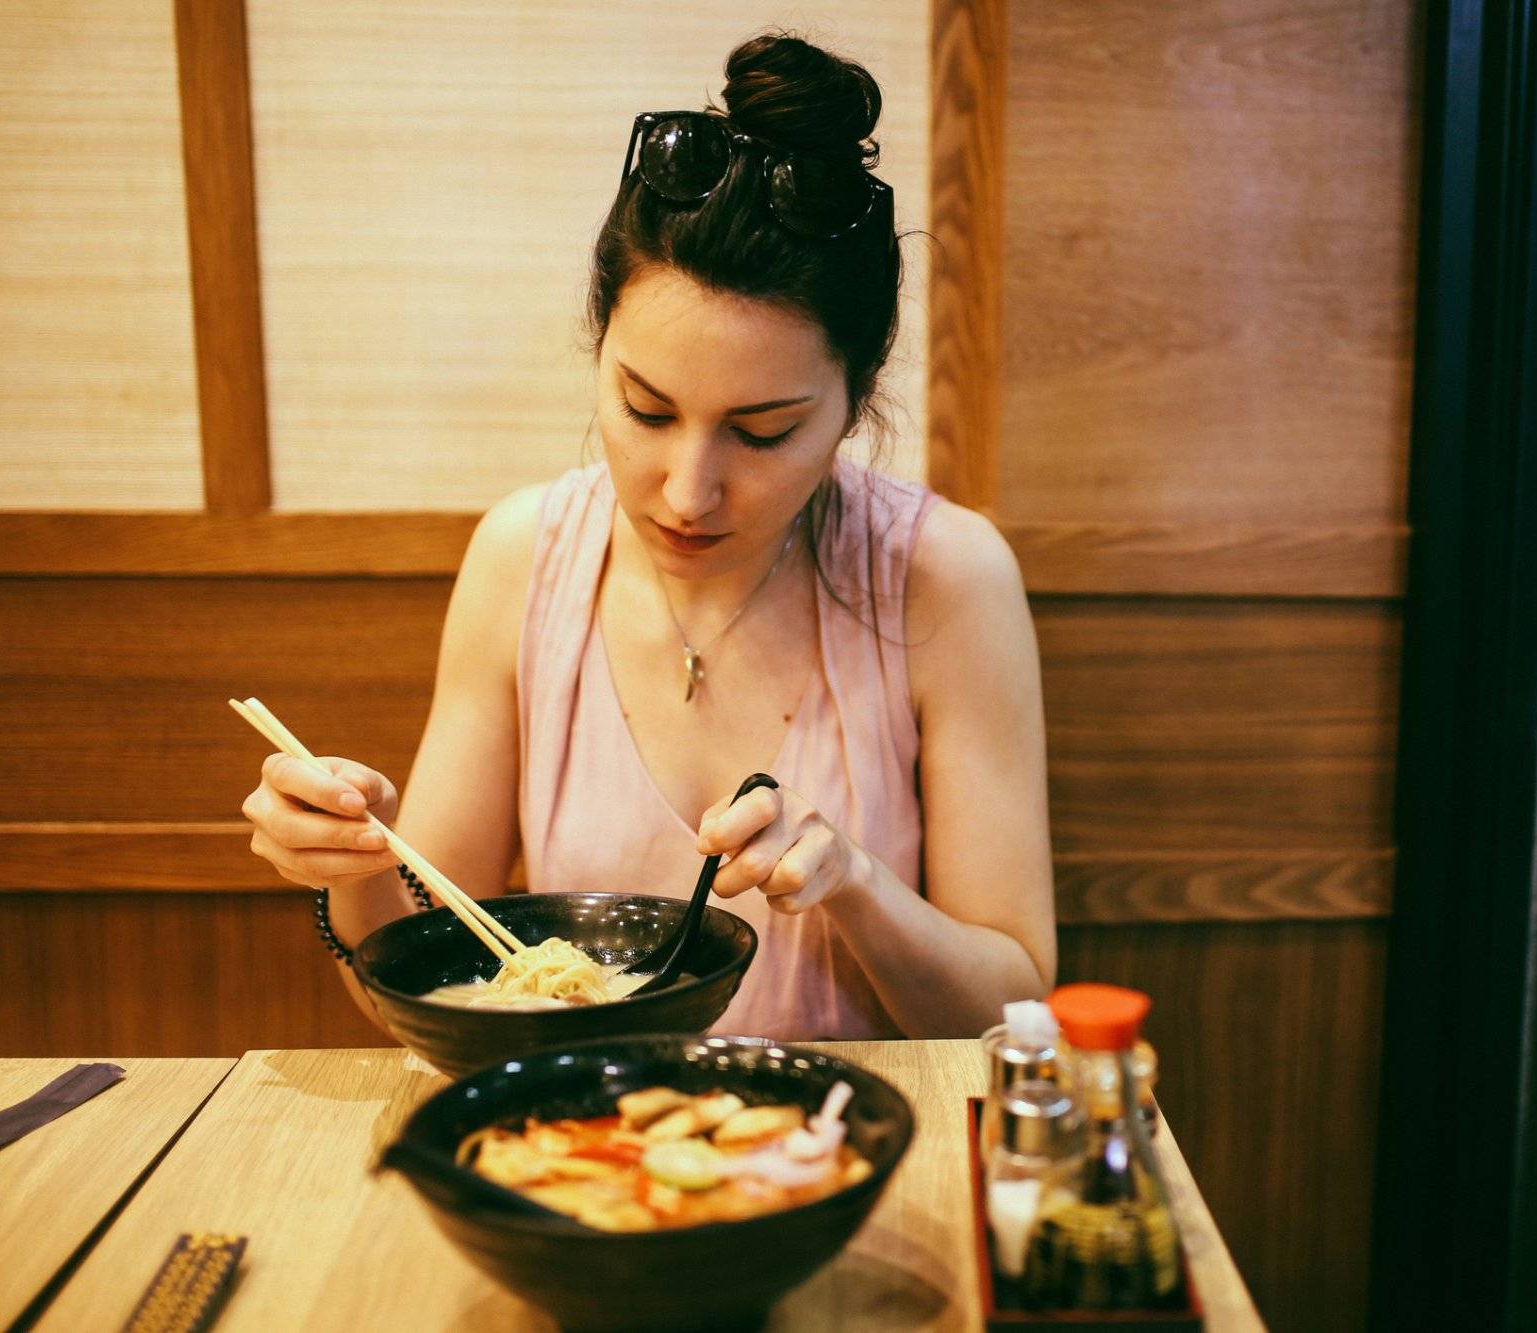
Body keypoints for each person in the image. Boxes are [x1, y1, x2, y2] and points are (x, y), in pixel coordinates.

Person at [240, 33, 1055, 1040]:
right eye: (646, 408)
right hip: (586, 1157)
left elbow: (1013, 1007)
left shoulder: (940, 575)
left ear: (850, 402)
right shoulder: (523, 557)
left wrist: (853, 881)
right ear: (600, 349)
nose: (687, 490)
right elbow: (417, 961)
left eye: (763, 431)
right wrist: (348, 863)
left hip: (851, 1162)